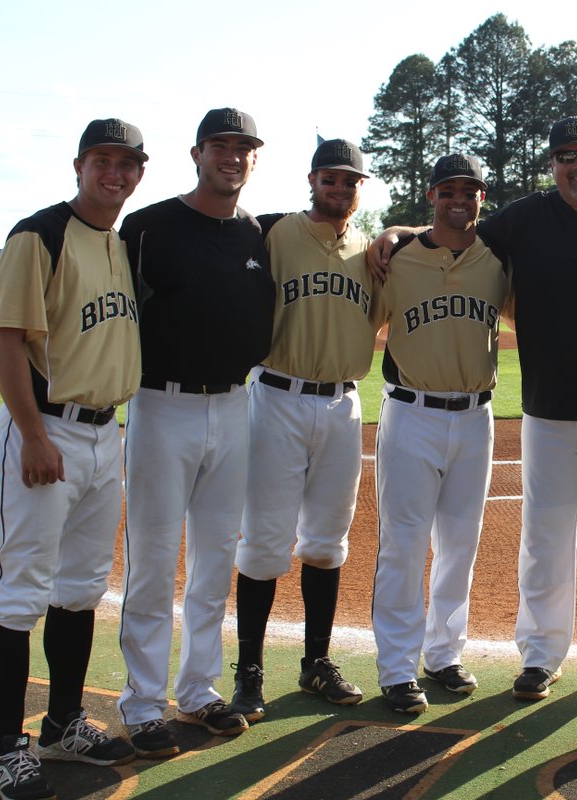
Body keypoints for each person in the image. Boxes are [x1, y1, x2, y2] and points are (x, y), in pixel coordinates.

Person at [371, 117, 577, 701]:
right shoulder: (525, 218)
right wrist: (397, 228)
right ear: (552, 164)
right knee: (543, 537)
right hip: (545, 409)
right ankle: (540, 654)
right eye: (565, 156)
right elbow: (454, 227)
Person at [0, 118, 147, 800]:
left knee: (80, 589)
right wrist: (33, 434)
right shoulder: (38, 234)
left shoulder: (118, 243)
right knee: (20, 593)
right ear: (78, 165)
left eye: (128, 163)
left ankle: (62, 724)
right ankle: (2, 752)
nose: (116, 172)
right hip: (45, 429)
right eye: (103, 160)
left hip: (106, 435)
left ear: (141, 171)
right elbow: (8, 338)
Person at [117, 108, 274, 757]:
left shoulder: (257, 234)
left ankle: (199, 690)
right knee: (153, 559)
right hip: (161, 404)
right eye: (221, 147)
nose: (232, 157)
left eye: (244, 148)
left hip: (234, 404)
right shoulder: (149, 226)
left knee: (215, 557)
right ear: (197, 153)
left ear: (253, 159)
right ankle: (144, 704)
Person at [230, 139, 377, 721]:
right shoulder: (273, 234)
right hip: (278, 397)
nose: (340, 189)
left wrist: (395, 233)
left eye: (351, 181)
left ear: (361, 189)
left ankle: (316, 663)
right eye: (331, 179)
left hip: (342, 404)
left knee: (325, 543)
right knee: (265, 543)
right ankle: (249, 673)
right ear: (312, 179)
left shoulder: (371, 249)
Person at [370, 154, 508, 713]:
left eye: (470, 190)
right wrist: (389, 232)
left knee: (460, 543)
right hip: (411, 413)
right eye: (449, 189)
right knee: (402, 544)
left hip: (476, 417)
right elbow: (367, 314)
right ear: (432, 196)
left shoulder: (496, 259)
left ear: (481, 197)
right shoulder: (396, 256)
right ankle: (397, 668)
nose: (460, 198)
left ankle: (444, 654)